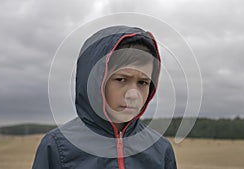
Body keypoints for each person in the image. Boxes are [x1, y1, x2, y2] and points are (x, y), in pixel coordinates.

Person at [32, 25, 177, 169]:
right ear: (95, 80)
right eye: (121, 79)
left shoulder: (161, 150)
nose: (133, 94)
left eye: (143, 82)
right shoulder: (57, 147)